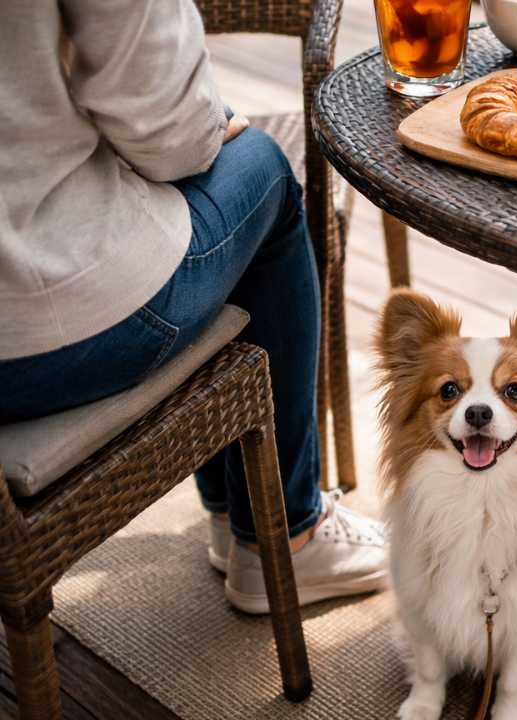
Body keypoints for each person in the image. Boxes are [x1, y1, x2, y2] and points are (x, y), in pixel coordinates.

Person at [0, 0, 387, 614]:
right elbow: (167, 130)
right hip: (41, 326)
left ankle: (231, 508)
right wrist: (212, 123)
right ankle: (282, 536)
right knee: (260, 170)